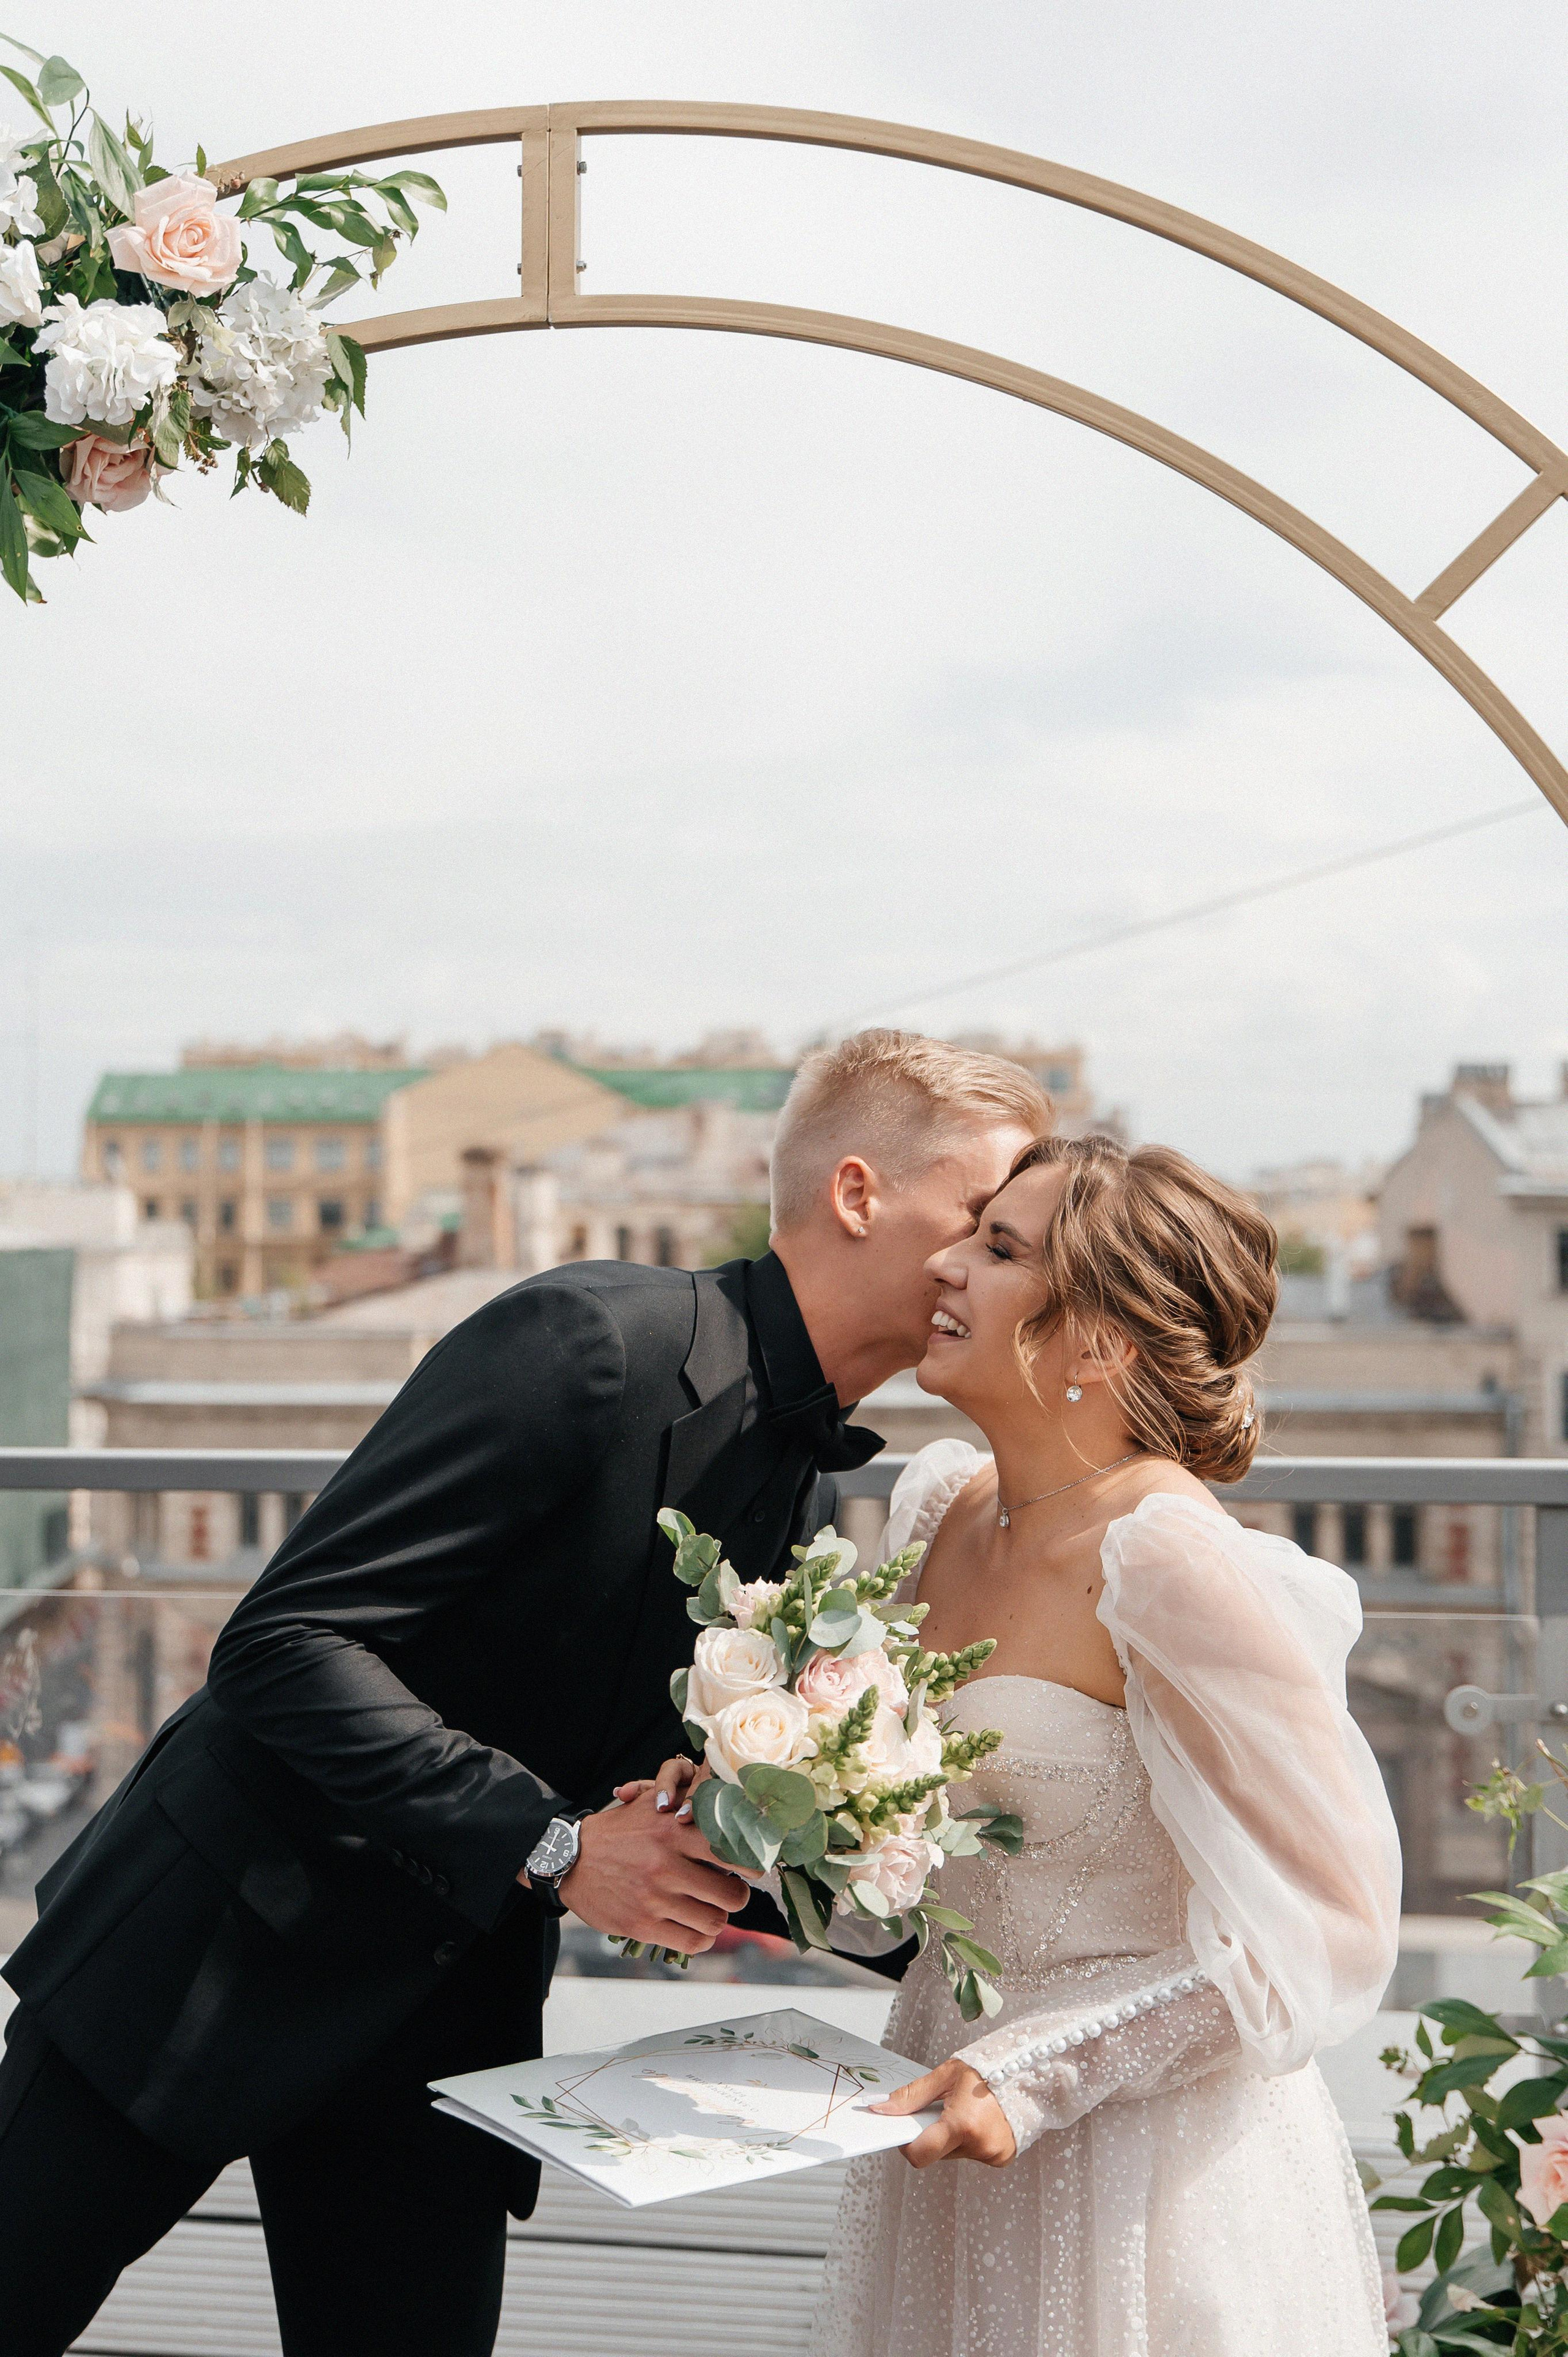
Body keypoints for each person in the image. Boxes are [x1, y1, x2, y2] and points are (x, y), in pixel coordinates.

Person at [0, 1030, 1046, 2357]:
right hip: (202, 1962)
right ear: (856, 1195)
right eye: (977, 1216)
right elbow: (284, 1639)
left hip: (434, 2030)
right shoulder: (596, 1337)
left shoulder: (799, 1478)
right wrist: (554, 1847)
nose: (986, 1259)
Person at [810, 1133, 1401, 2356]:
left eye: (999, 1248)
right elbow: (886, 1896)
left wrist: (1036, 2075)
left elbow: (1327, 1933)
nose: (947, 1265)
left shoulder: (1169, 1560)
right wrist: (753, 1814)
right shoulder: (939, 1506)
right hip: (942, 2123)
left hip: (1145, 2177)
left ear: (1099, 1342)